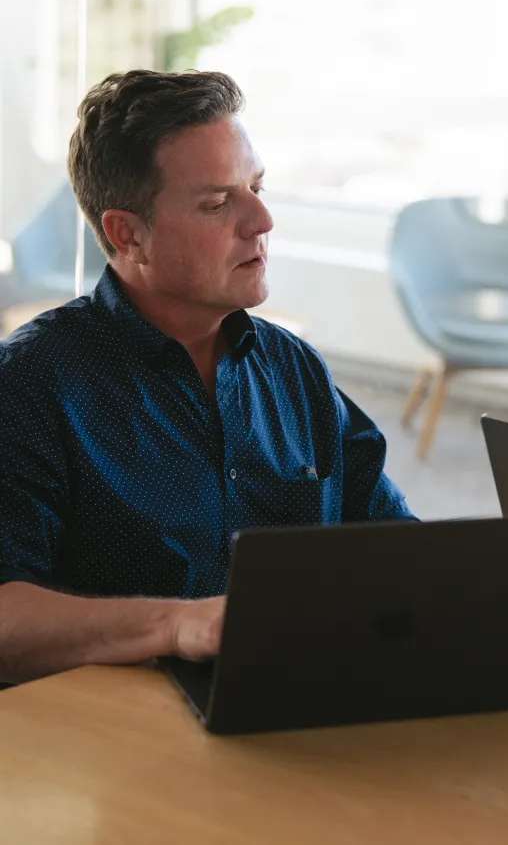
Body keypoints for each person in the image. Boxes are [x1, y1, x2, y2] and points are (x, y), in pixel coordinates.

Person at [0, 70, 415, 684]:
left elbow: (397, 552)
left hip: (298, 708)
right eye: (218, 203)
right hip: (113, 749)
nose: (262, 220)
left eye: (256, 187)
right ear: (128, 234)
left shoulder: (293, 369)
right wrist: (175, 625)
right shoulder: (32, 384)